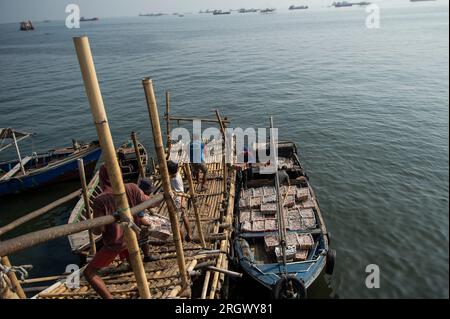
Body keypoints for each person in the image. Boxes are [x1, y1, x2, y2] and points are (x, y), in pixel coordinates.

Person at [83, 164, 162, 299]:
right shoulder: (132, 188)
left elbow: (98, 231)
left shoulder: (100, 200)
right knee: (132, 255)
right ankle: (139, 282)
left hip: (115, 243)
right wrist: (163, 195)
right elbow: (152, 203)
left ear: (102, 179)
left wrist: (92, 225)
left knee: (89, 273)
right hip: (132, 237)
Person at [167, 160, 192, 242]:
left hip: (177, 201)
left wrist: (182, 202)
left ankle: (181, 240)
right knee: (184, 216)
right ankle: (189, 234)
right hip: (179, 200)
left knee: (176, 222)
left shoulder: (175, 180)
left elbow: (181, 192)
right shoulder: (177, 175)